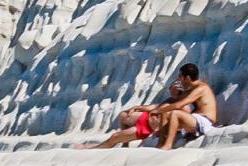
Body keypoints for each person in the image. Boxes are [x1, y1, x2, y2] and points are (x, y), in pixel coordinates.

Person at [79, 63, 216, 149]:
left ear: (186, 77)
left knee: (174, 113)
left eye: (180, 76)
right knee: (123, 119)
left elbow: (180, 105)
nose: (178, 80)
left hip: (204, 121)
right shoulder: (188, 91)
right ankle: (116, 146)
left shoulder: (200, 88)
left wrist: (158, 110)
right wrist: (141, 107)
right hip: (194, 120)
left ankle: (166, 145)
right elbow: (164, 104)